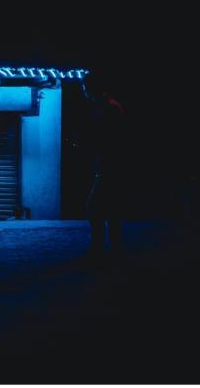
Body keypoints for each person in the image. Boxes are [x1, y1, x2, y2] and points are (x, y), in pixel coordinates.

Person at [81, 72, 128, 259]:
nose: (84, 91)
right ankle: (113, 249)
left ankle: (99, 249)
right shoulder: (106, 106)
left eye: (85, 87)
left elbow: (109, 138)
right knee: (110, 208)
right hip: (108, 164)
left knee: (94, 207)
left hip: (110, 165)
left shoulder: (108, 108)